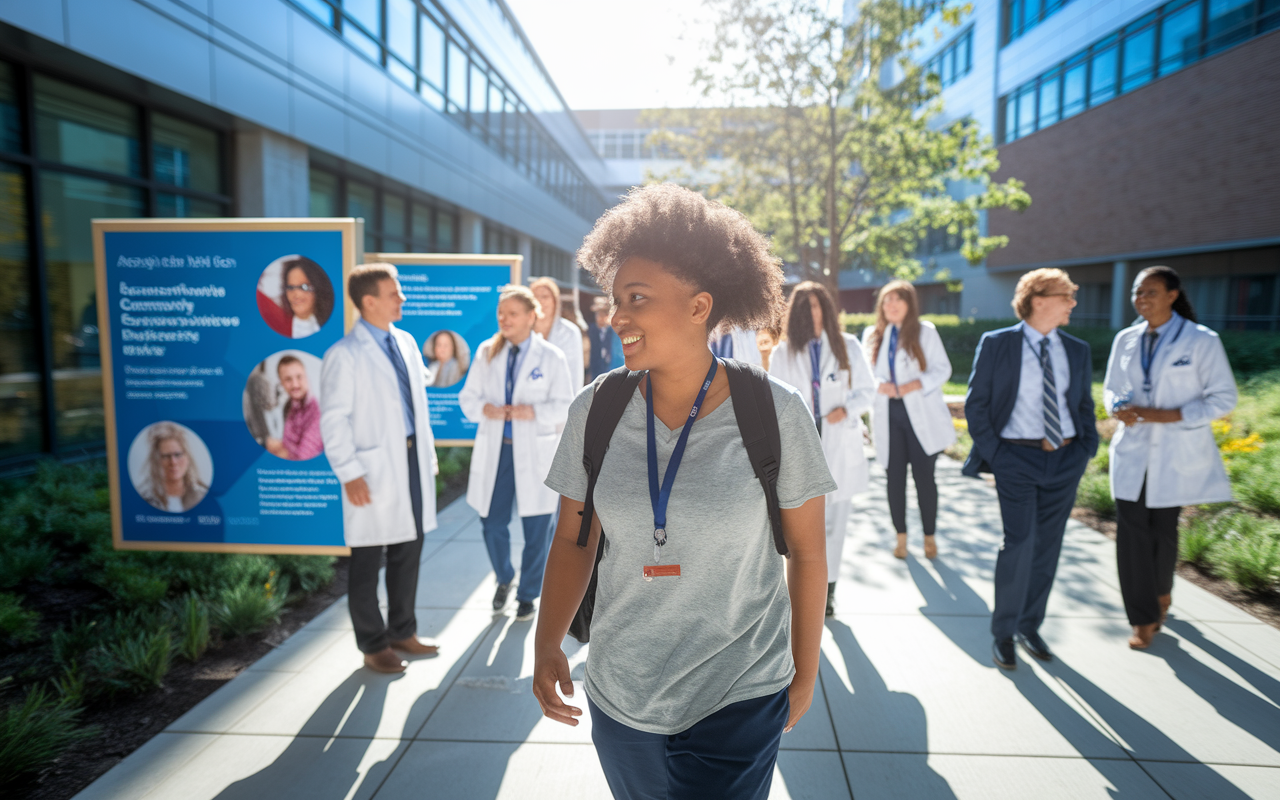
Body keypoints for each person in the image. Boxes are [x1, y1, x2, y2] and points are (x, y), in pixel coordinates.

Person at [532, 184, 835, 800]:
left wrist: (805, 671)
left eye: (636, 299)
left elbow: (806, 552)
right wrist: (546, 643)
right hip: (621, 691)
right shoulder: (596, 408)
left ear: (700, 307)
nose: (618, 317)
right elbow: (573, 537)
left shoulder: (773, 412)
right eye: (616, 300)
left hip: (740, 687)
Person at [963, 268, 1098, 671]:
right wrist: (999, 456)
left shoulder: (1077, 350)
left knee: (1047, 547)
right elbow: (977, 405)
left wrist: (1086, 448)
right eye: (1066, 295)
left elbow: (1084, 406)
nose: (1073, 302)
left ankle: (1029, 625)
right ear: (1038, 299)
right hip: (1015, 460)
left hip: (1066, 458)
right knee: (1019, 543)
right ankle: (1003, 633)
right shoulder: (997, 344)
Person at [1105, 266, 1237, 650]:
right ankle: (1142, 618)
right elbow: (1113, 387)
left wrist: (1173, 415)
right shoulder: (1125, 339)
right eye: (1137, 292)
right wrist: (1118, 406)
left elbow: (1223, 398)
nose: (1141, 299)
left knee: (1163, 531)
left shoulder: (1201, 341)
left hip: (1175, 451)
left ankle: (1162, 593)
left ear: (1172, 295)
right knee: (1131, 534)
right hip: (1133, 449)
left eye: (1150, 292)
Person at [320, 262, 440, 674]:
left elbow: (418, 390)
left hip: (409, 459)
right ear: (369, 301)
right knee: (368, 557)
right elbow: (333, 419)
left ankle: (402, 631)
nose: (402, 299)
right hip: (369, 467)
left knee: (410, 548)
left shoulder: (403, 341)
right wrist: (349, 471)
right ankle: (373, 644)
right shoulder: (344, 354)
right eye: (394, 293)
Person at [458, 285, 574, 622]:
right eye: (501, 314)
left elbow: (567, 405)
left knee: (537, 528)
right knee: (491, 523)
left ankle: (527, 595)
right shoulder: (486, 353)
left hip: (535, 453)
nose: (504, 319)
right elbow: (468, 399)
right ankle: (505, 576)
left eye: (511, 313)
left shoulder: (551, 357)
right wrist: (486, 408)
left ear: (530, 316)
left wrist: (532, 412)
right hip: (497, 453)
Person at [768, 281, 875, 617]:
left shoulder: (849, 346)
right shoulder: (783, 352)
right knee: (799, 524)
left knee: (836, 524)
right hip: (800, 444)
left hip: (838, 440)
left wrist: (848, 408)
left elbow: (867, 391)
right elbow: (775, 401)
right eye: (806, 307)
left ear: (827, 310)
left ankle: (829, 590)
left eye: (818, 306)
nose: (813, 313)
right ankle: (800, 587)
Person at [863, 281, 955, 560]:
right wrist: (881, 385)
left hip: (920, 416)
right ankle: (900, 537)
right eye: (887, 301)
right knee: (894, 480)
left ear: (909, 304)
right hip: (889, 415)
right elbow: (866, 373)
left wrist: (917, 383)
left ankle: (929, 536)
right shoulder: (872, 334)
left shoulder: (925, 332)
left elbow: (943, 369)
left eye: (898, 300)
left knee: (924, 478)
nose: (892, 306)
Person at [530, 277, 586, 392]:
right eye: (535, 297)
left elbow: (576, 374)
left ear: (555, 301)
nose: (540, 301)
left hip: (561, 401)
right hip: (528, 403)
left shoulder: (570, 332)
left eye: (545, 297)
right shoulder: (523, 332)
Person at [140, 422, 208, 512]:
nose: (173, 462)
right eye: (165, 456)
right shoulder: (146, 499)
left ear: (188, 458)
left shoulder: (202, 497)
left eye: (178, 454)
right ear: (156, 461)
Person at [266, 355, 323, 461]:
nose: (295, 384)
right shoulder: (290, 407)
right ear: (281, 383)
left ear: (306, 376)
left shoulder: (317, 412)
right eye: (288, 379)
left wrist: (281, 450)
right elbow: (287, 443)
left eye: (299, 377)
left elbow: (302, 458)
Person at [265, 256, 334, 339]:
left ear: (317, 288)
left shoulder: (331, 328)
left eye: (304, 287)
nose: (296, 295)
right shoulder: (277, 329)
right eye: (290, 287)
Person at [588, 296, 624, 380]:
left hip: (614, 374)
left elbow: (618, 357)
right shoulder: (592, 331)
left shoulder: (615, 332)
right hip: (596, 374)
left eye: (604, 313)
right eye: (598, 313)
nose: (601, 317)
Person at [243, 361, 275, 446]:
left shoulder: (247, 380)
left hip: (252, 431)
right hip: (263, 433)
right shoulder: (259, 378)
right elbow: (270, 404)